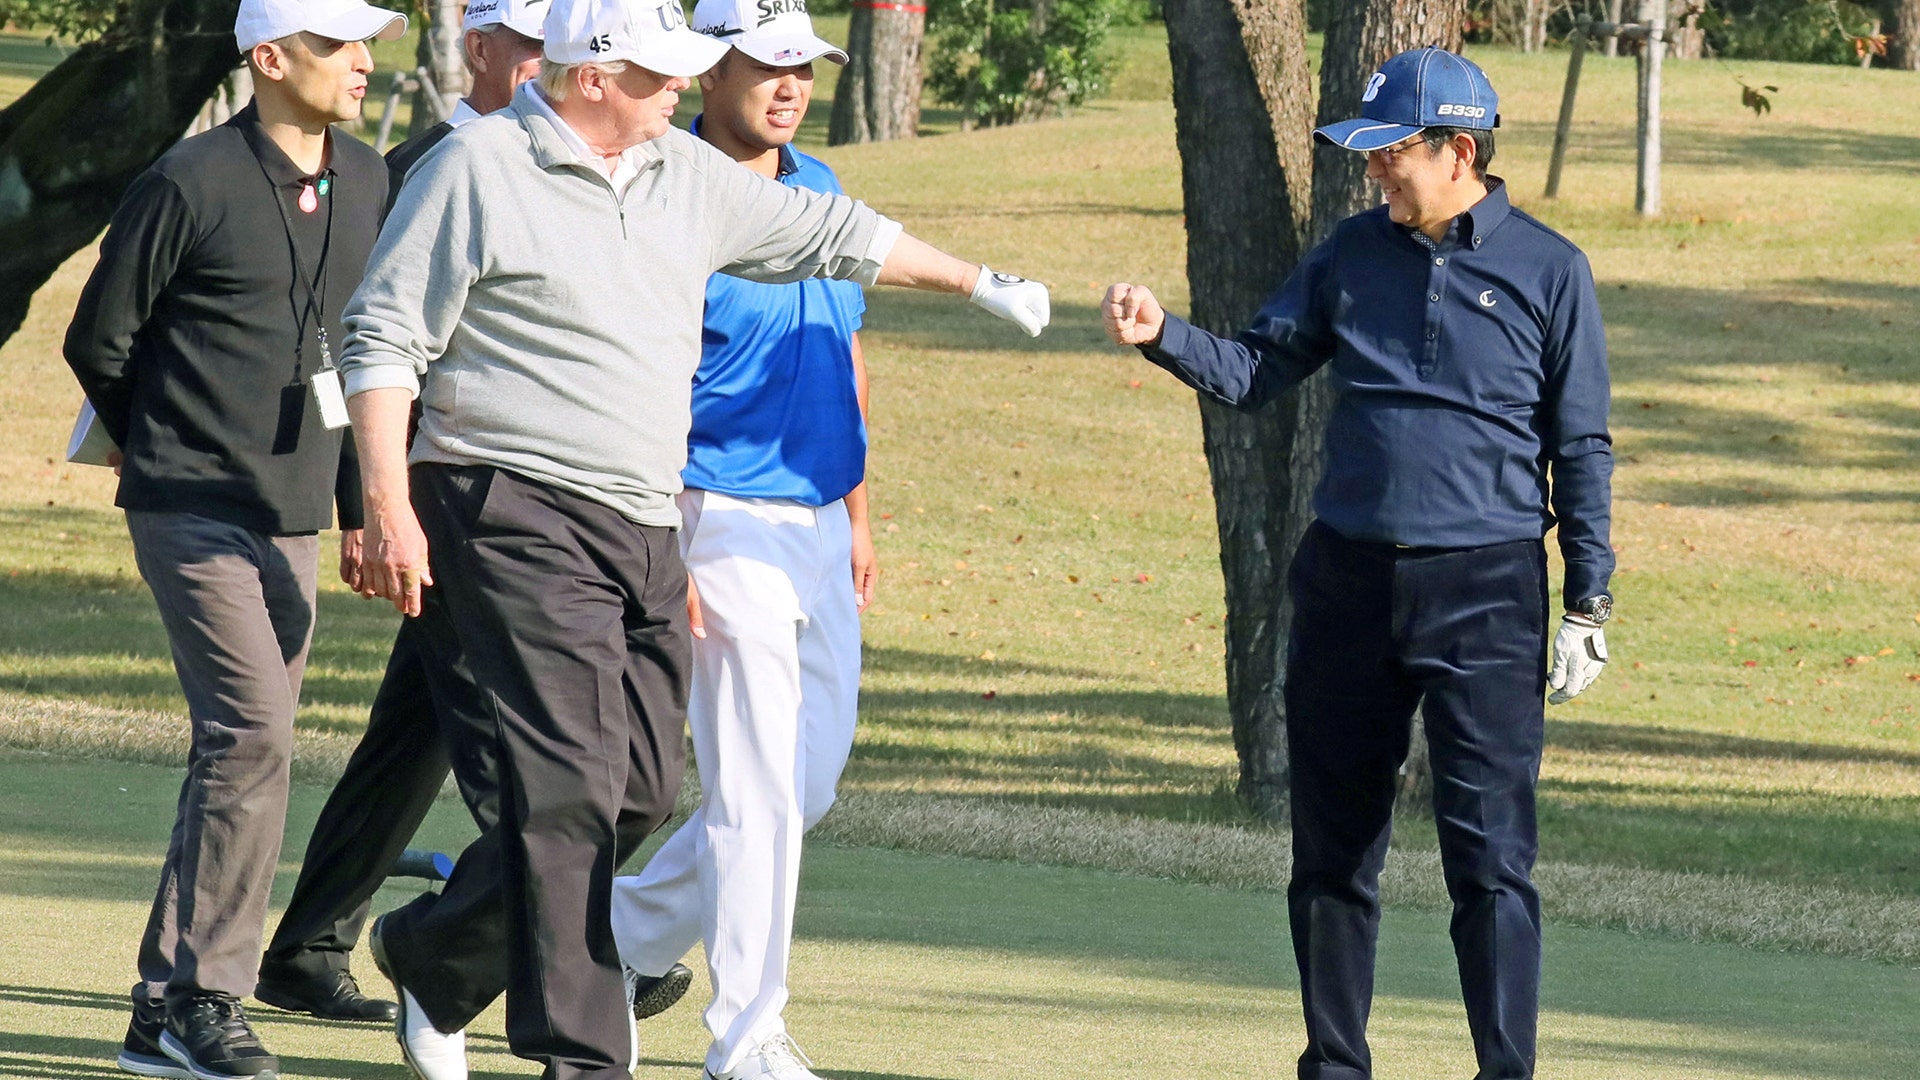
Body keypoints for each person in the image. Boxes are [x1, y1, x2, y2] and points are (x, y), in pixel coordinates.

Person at [336, 0, 1049, 1074]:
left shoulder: (677, 171)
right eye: (660, 75)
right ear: (589, 77)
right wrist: (385, 505)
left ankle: (438, 956)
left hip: (637, 519)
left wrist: (978, 281)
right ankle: (589, 1051)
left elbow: (834, 235)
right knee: (576, 784)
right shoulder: (478, 168)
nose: (678, 89)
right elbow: (383, 337)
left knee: (638, 793)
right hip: (509, 503)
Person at [1101, 47, 1613, 1080]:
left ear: (1459, 150)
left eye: (1392, 154)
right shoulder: (1348, 255)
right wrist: (1164, 336)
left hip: (1488, 592)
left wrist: (1587, 598)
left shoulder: (1551, 269)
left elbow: (1581, 443)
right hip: (1348, 583)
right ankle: (1335, 1066)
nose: (1374, 172)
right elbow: (1254, 371)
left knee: (1492, 861)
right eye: (1369, 154)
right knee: (1332, 852)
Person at [62, 0, 407, 1075]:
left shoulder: (374, 179)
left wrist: (362, 510)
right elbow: (98, 340)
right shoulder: (187, 181)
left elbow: (365, 359)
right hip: (189, 505)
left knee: (239, 751)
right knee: (254, 737)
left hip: (293, 514)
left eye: (367, 43)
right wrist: (157, 444)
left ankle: (160, 1004)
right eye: (337, 44)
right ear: (270, 59)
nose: (360, 62)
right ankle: (211, 995)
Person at [252, 0, 547, 1027]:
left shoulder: (567, 167)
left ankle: (306, 944)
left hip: (519, 492)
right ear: (480, 48)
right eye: (535, 46)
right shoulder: (413, 165)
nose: (555, 67)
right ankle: (578, 948)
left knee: (416, 733)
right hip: (439, 494)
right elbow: (351, 333)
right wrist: (370, 500)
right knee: (510, 734)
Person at [605, 1, 872, 1076]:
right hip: (714, 509)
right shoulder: (662, 191)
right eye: (767, 63)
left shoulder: (821, 191)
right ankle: (746, 1038)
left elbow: (846, 357)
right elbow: (640, 383)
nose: (790, 83)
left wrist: (859, 515)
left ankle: (612, 937)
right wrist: (666, 542)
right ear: (710, 70)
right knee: (756, 790)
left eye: (803, 65)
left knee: (803, 788)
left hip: (818, 516)